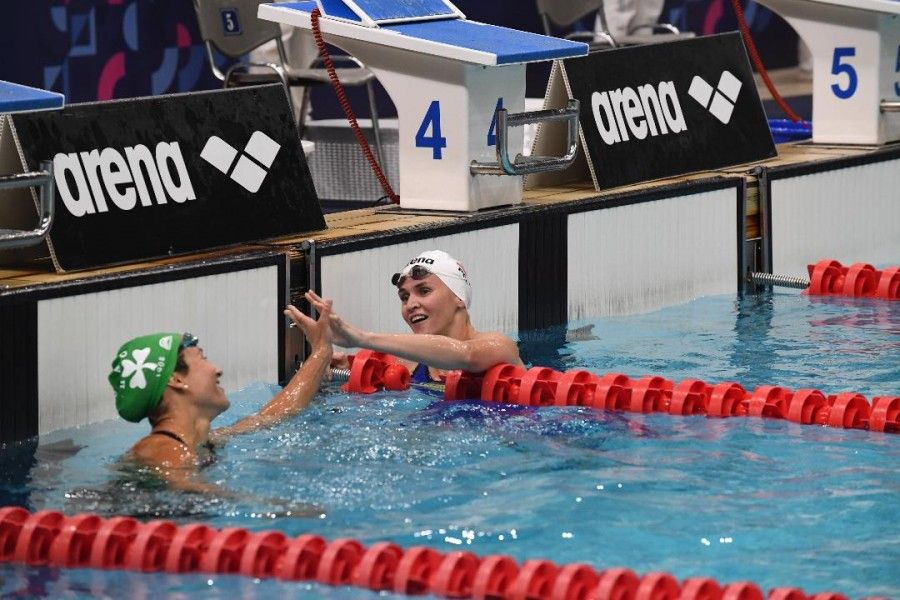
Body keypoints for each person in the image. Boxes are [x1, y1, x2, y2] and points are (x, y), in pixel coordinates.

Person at [107, 295, 332, 492]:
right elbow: (204, 497)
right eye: (202, 358)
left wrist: (321, 351)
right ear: (176, 380)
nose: (217, 369)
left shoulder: (202, 442)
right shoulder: (162, 452)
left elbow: (274, 415)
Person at [307, 250, 523, 385]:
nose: (410, 304)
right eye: (404, 297)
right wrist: (341, 369)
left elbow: (466, 355)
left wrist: (362, 338)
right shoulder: (406, 367)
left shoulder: (500, 346)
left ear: (459, 297)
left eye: (424, 291)